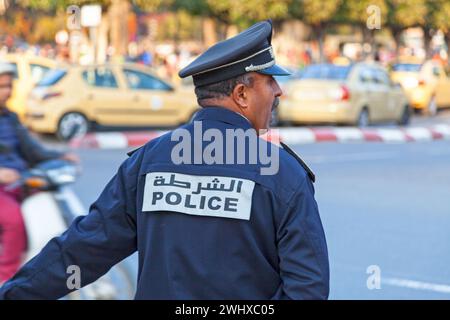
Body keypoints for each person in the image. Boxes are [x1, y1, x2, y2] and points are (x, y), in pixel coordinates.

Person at [0, 20, 329, 300]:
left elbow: (83, 249)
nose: (278, 91)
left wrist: (13, 293)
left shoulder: (148, 161)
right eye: (270, 80)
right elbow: (308, 288)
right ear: (241, 95)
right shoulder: (283, 175)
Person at [0, 62, 78, 284]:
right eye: (1, 86)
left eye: (9, 85)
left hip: (19, 183)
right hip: (3, 189)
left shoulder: (11, 118)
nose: (7, 91)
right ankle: (6, 281)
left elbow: (32, 150)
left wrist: (60, 155)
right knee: (15, 220)